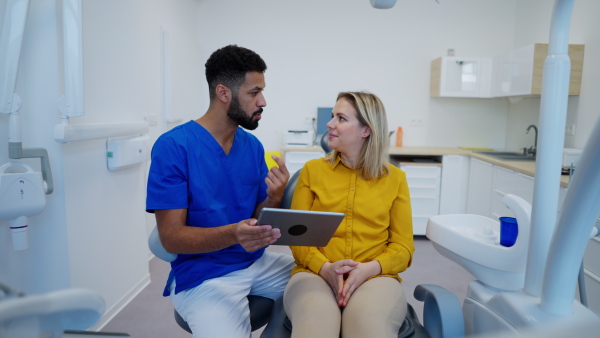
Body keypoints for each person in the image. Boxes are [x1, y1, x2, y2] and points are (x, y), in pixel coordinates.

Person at [146, 45, 295, 337]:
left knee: (324, 285)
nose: (263, 101)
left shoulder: (252, 147)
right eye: (254, 93)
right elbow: (171, 237)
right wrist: (233, 234)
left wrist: (274, 198)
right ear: (224, 93)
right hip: (205, 275)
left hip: (256, 261)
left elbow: (254, 220)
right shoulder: (175, 147)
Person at [283, 91, 415, 338]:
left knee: (367, 326)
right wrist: (325, 268)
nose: (330, 124)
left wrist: (369, 269)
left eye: (341, 118)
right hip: (314, 274)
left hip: (375, 277)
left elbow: (403, 247)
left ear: (366, 130)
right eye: (333, 116)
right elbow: (297, 237)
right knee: (316, 326)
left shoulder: (396, 179)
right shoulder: (312, 171)